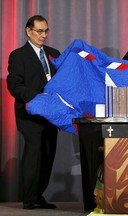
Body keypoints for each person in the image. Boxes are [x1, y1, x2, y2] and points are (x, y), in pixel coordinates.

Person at [7, 15, 61, 209]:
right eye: (39, 31)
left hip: (52, 115)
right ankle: (29, 198)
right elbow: (15, 86)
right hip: (30, 115)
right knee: (34, 154)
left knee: (48, 154)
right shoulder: (18, 55)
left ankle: (39, 196)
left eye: (46, 31)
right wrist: (38, 98)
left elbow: (61, 82)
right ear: (28, 31)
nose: (43, 35)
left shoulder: (54, 53)